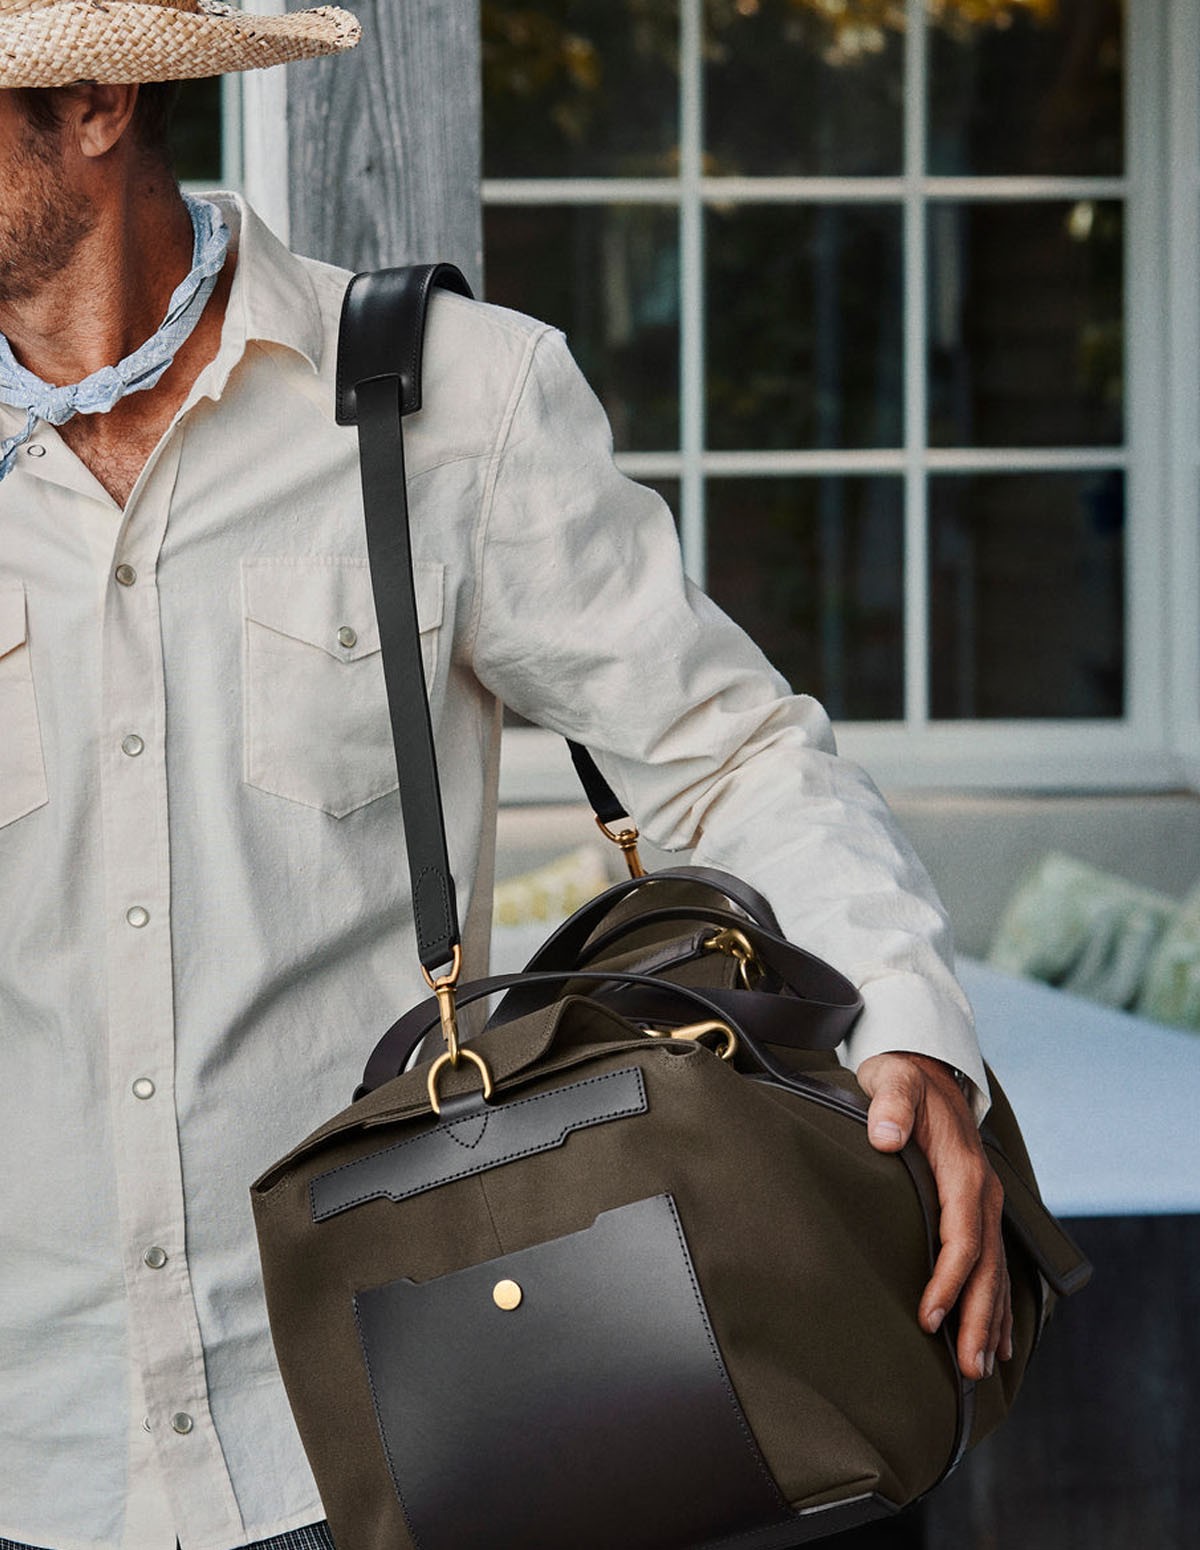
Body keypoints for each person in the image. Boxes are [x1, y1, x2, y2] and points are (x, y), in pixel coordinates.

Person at [0, 3, 1008, 1547]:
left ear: (95, 103)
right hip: (31, 1446)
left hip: (379, 1434)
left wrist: (912, 1027)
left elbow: (730, 755)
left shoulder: (455, 401)